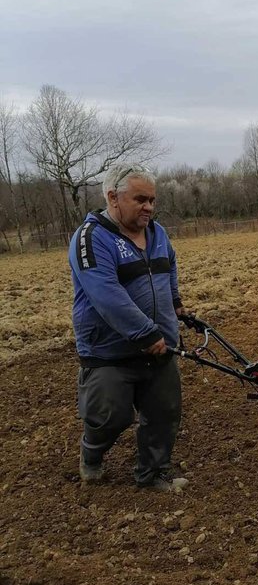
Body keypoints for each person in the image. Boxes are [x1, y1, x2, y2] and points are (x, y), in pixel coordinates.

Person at [68, 163, 188, 492]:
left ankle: (151, 473)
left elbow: (170, 265)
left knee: (164, 412)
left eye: (152, 199)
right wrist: (145, 333)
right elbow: (107, 294)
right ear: (113, 197)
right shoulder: (91, 238)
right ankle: (91, 455)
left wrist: (176, 303)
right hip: (110, 351)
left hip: (160, 345)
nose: (149, 206)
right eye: (140, 199)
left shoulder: (157, 233)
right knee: (110, 416)